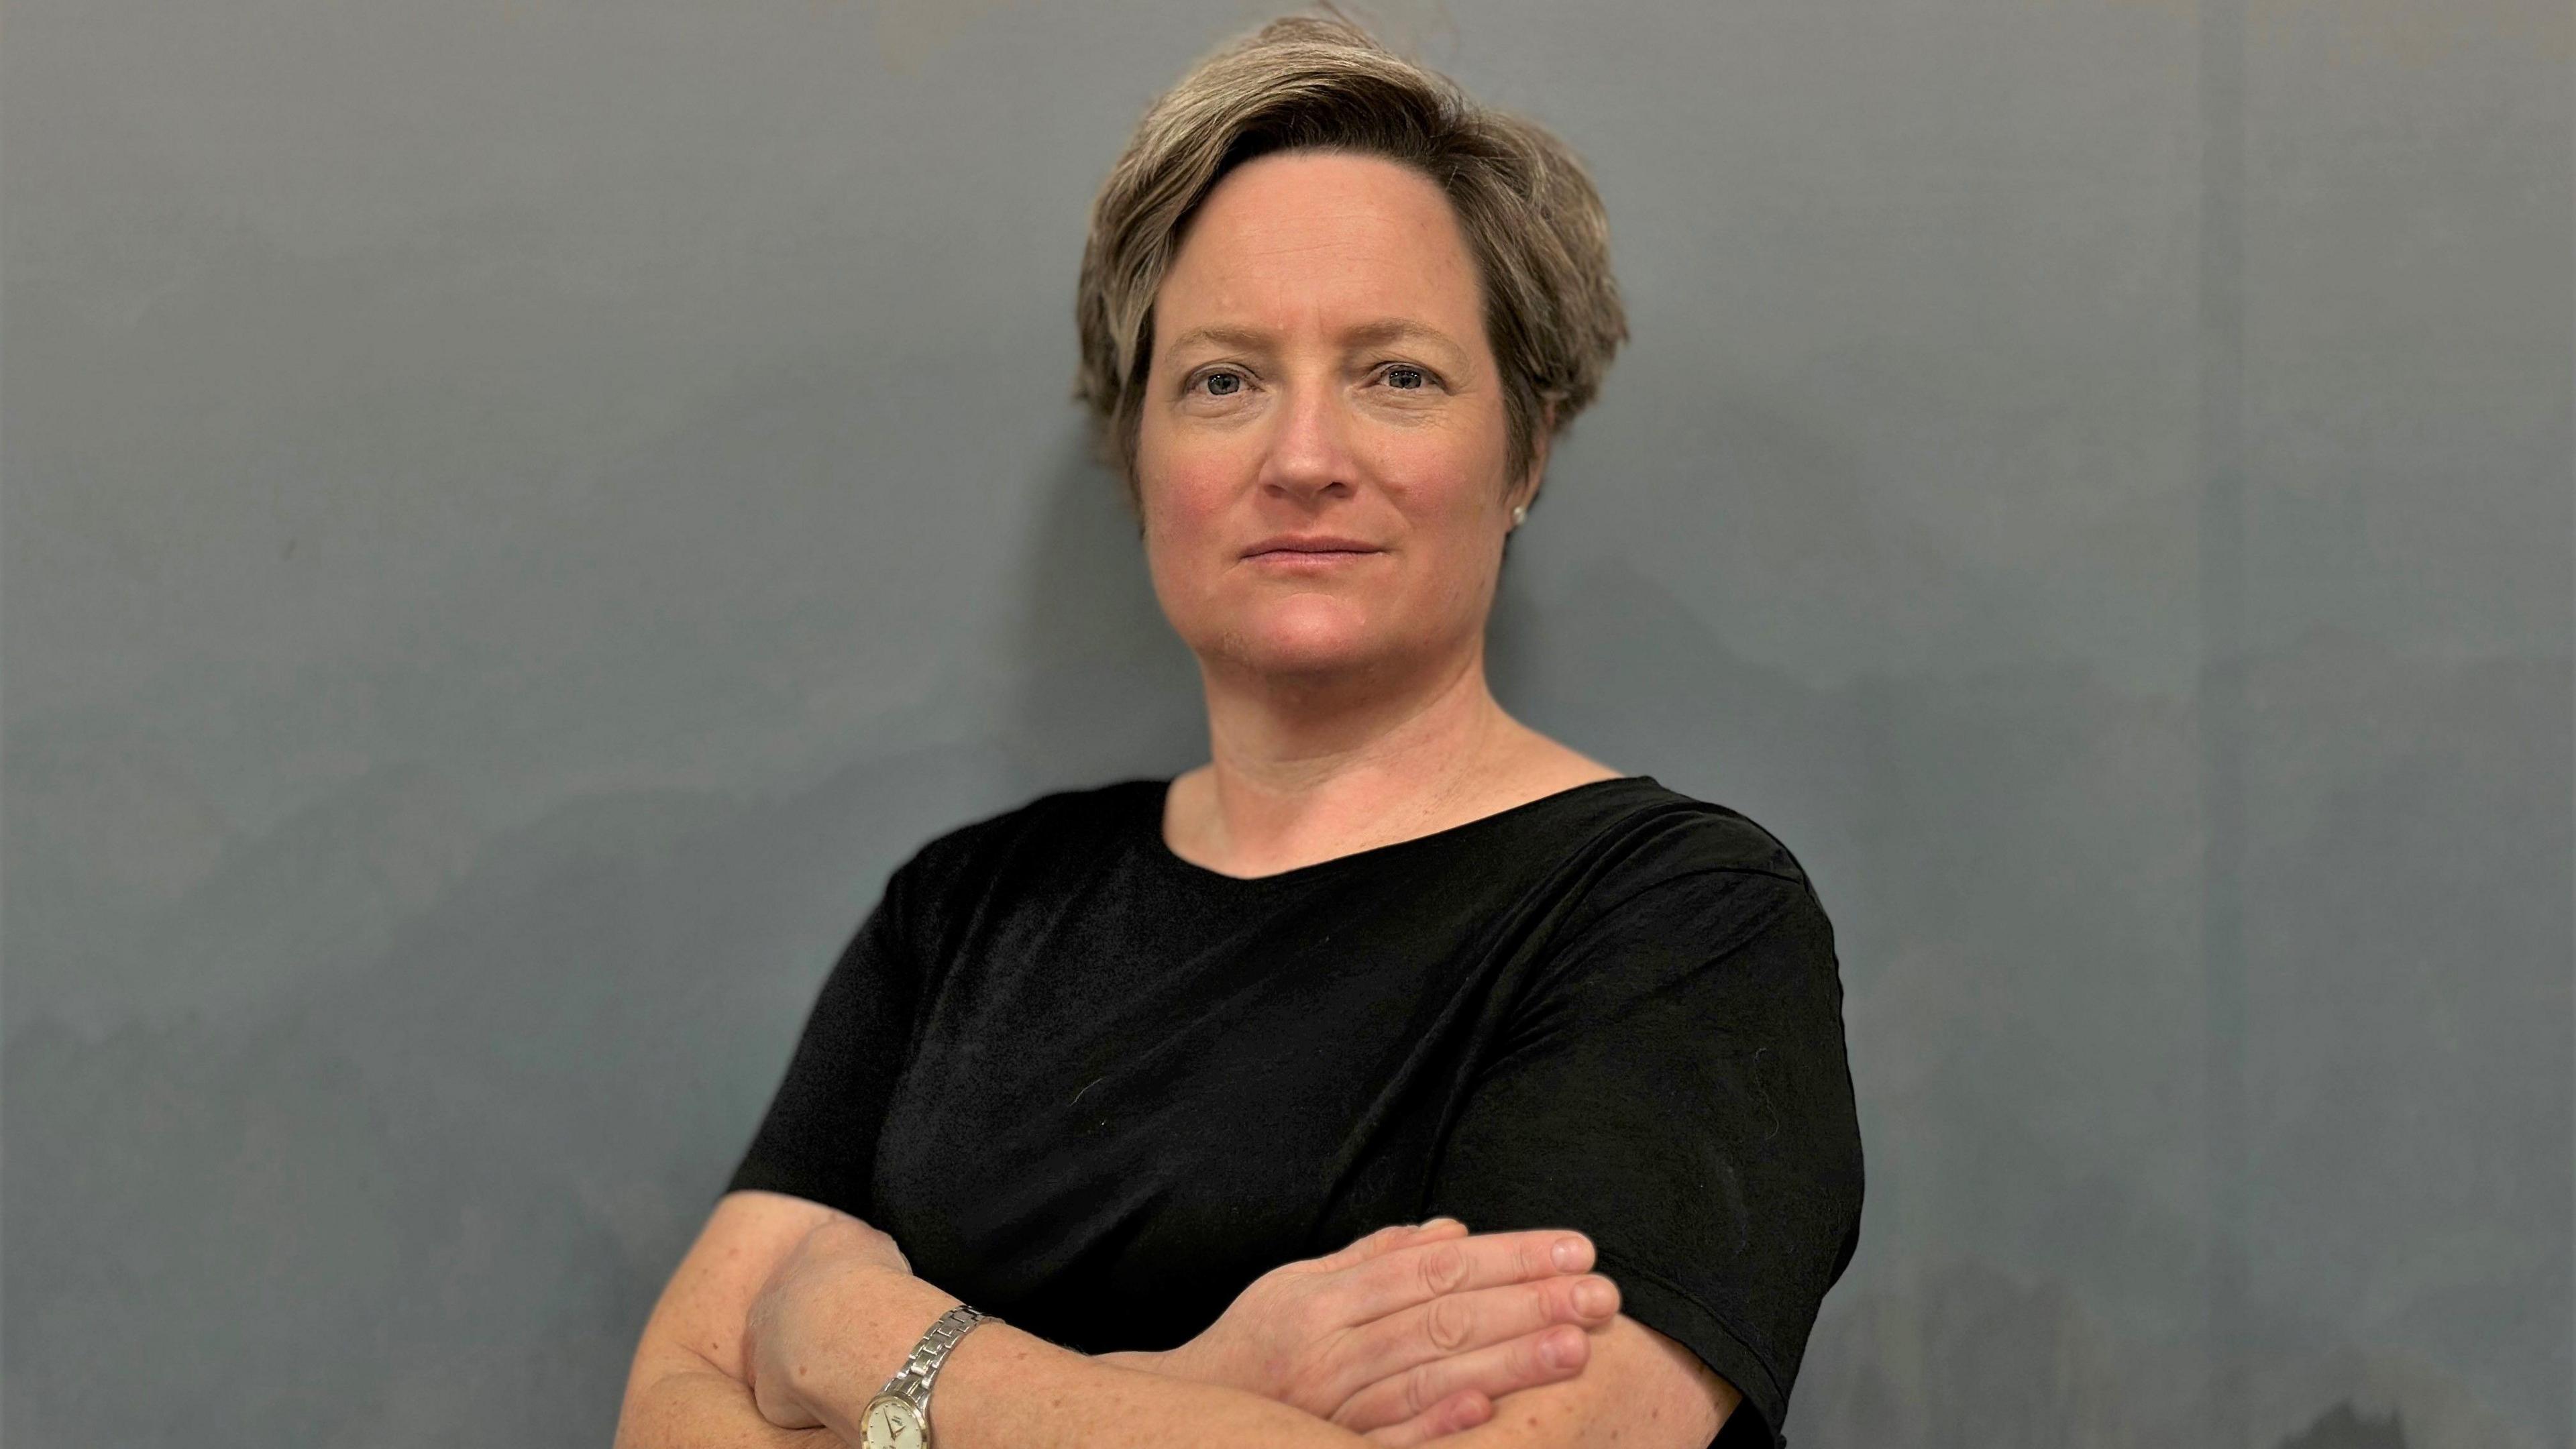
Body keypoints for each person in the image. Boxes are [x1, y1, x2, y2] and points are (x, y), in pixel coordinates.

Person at [613, 13, 1862, 1449]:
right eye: (1224, 379)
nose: (1306, 459)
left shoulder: (1676, 921)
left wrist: (880, 1347)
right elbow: (666, 1415)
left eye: (1397, 374)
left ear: (1524, 450)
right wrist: (1213, 1387)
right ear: (1136, 452)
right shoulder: (966, 913)